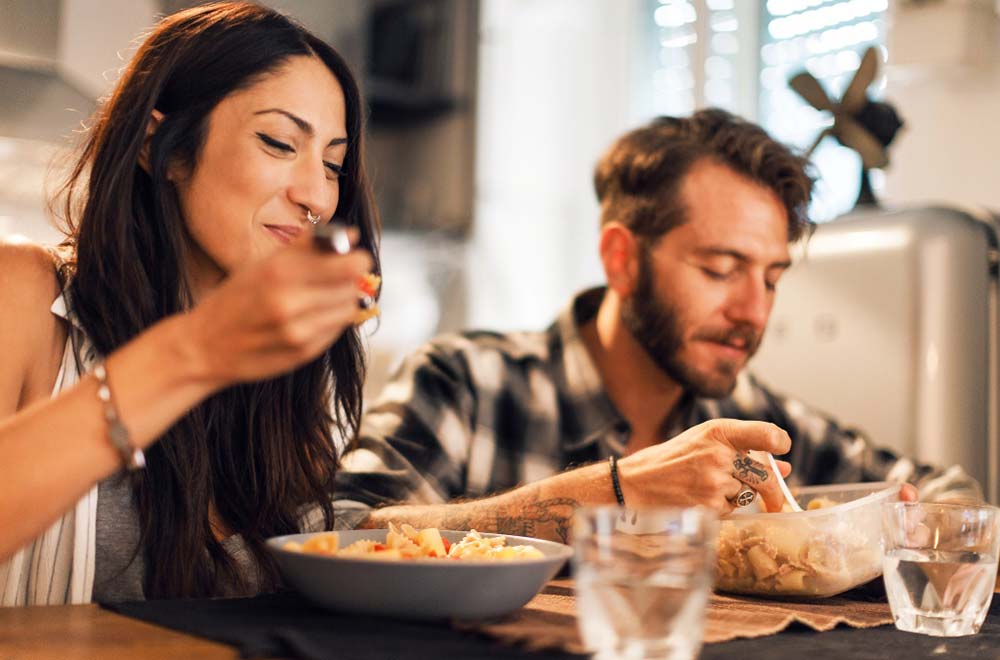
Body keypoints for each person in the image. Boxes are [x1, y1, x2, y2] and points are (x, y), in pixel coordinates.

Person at [332, 109, 981, 543]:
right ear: (621, 258)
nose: (755, 311)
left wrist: (897, 526)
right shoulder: (464, 381)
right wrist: (611, 492)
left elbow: (948, 491)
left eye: (773, 278)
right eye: (722, 267)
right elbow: (343, 530)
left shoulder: (749, 422)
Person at [0, 2, 379, 605]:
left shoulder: (280, 377)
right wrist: (194, 351)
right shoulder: (23, 296)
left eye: (333, 164)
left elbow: (323, 543)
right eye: (280, 142)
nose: (316, 197)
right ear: (164, 149)